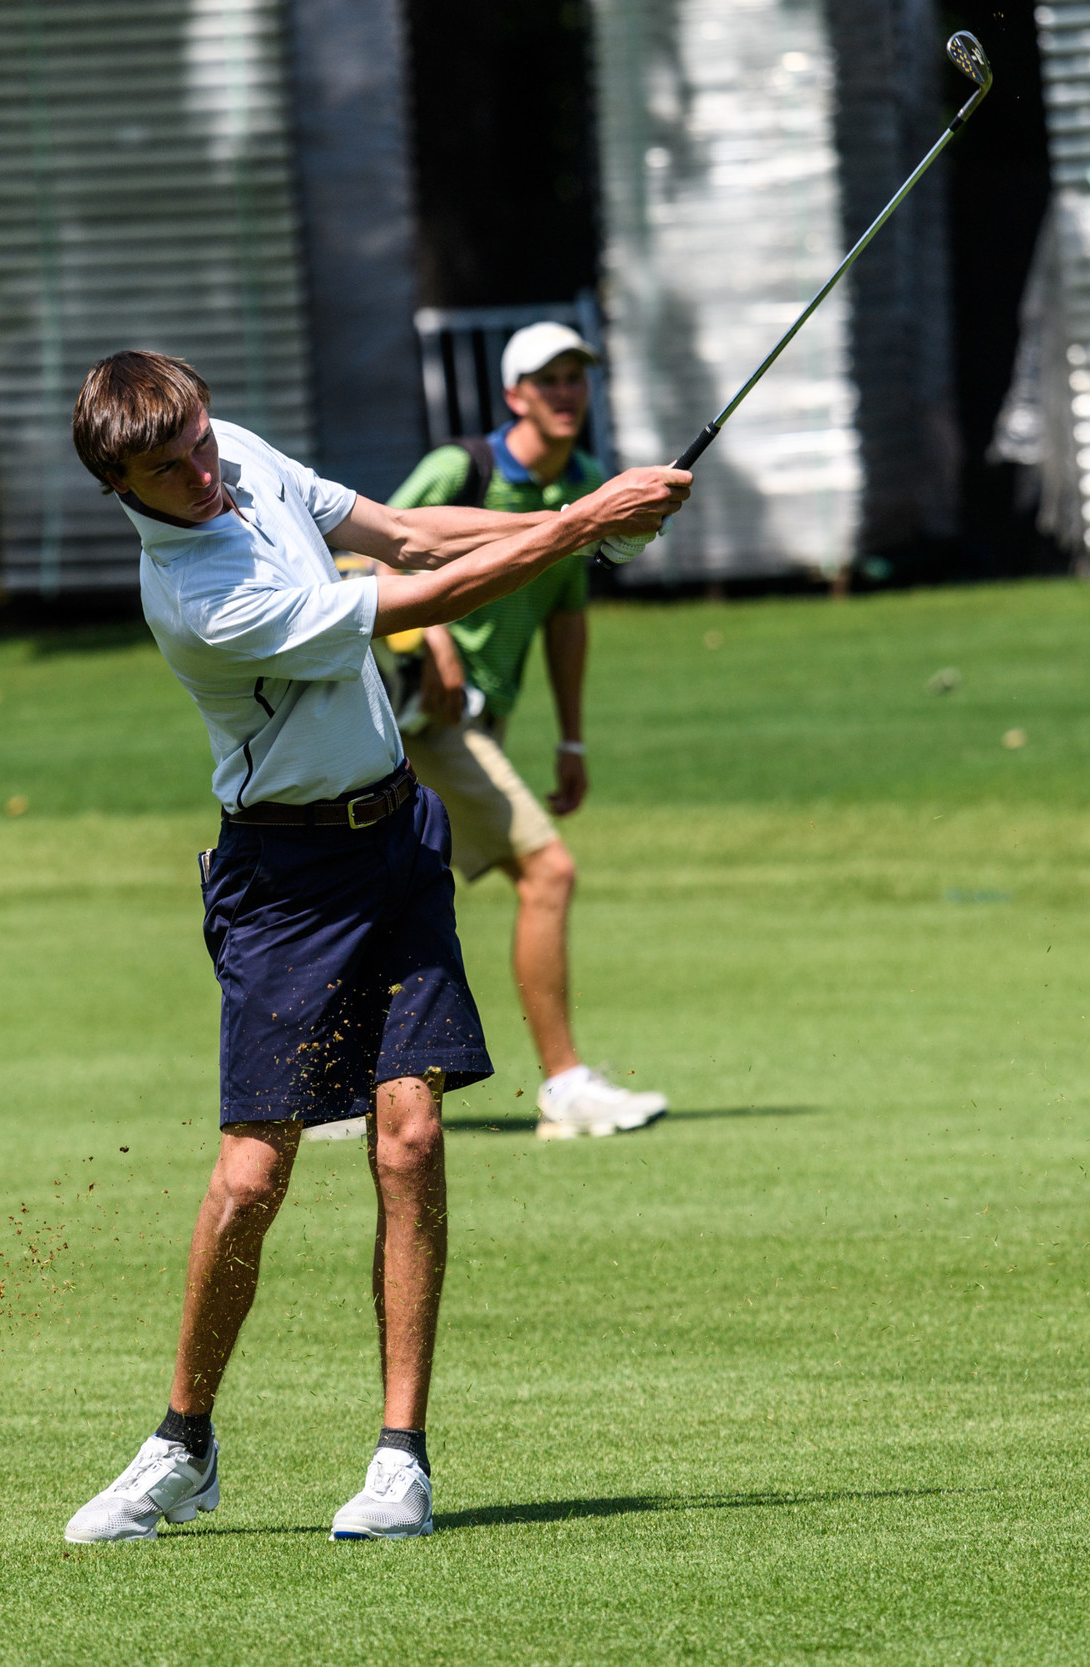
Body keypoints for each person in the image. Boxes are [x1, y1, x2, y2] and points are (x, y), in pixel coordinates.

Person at [58, 350, 689, 1544]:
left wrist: (575, 519)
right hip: (284, 884)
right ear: (119, 483)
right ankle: (182, 1443)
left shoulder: (229, 449)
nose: (204, 469)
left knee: (409, 1137)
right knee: (254, 1172)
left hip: (396, 838)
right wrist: (584, 528)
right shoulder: (197, 596)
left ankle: (401, 1458)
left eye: (199, 436)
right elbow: (420, 603)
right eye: (170, 466)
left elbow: (402, 534)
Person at [382, 321, 669, 1140]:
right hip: (422, 719)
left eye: (577, 377)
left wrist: (571, 739)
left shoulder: (582, 484)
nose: (566, 392)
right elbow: (374, 555)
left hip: (480, 723)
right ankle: (566, 1086)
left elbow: (567, 620)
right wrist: (431, 635)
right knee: (548, 871)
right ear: (515, 395)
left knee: (387, 896)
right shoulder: (462, 468)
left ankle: (337, 1087)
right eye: (549, 379)